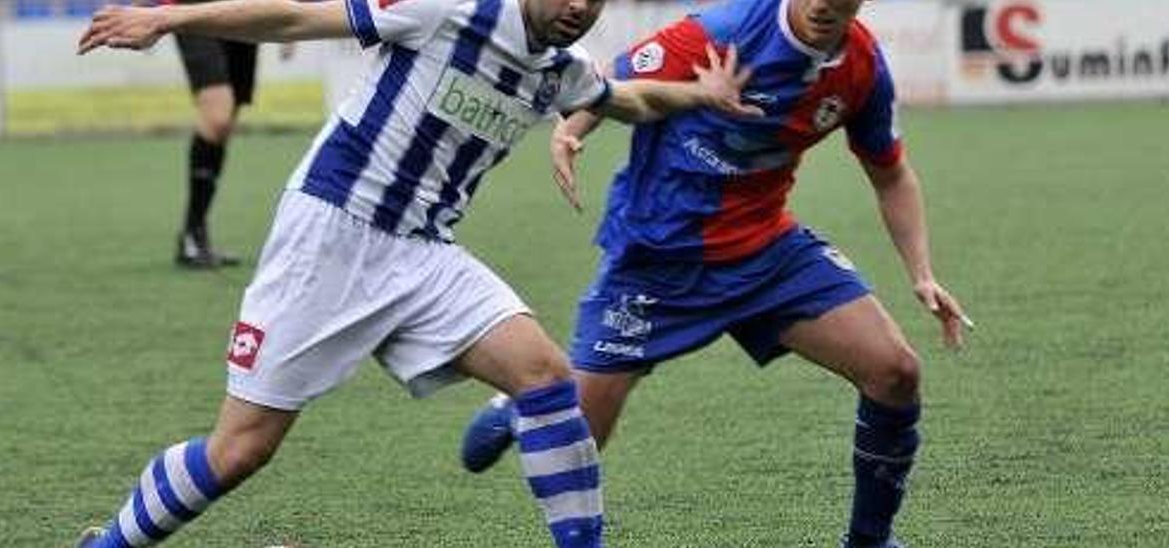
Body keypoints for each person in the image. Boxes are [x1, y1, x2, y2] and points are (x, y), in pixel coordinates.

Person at [73, 0, 759, 545]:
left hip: (423, 253)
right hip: (330, 236)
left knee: (546, 376)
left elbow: (630, 102)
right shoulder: (446, 10)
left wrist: (701, 96)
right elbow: (293, 17)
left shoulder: (563, 68)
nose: (579, 5)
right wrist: (168, 18)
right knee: (240, 450)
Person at [459, 0, 973, 546]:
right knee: (576, 435)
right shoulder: (726, 29)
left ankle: (869, 541)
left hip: (766, 256)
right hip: (656, 264)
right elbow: (614, 79)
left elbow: (890, 175)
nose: (823, 4)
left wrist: (922, 272)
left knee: (895, 371)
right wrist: (571, 131)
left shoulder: (863, 68)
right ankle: (524, 408)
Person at [133, 0, 287, 268]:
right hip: (192, 8)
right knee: (217, 115)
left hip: (244, 9)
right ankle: (192, 234)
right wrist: (141, 11)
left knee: (226, 121)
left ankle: (195, 235)